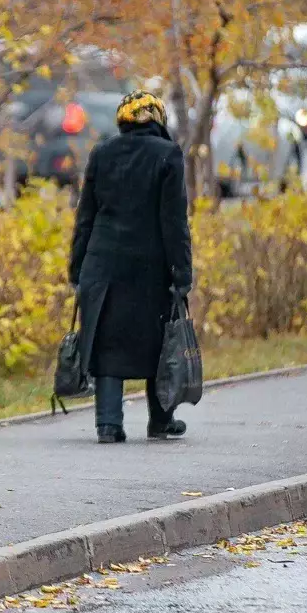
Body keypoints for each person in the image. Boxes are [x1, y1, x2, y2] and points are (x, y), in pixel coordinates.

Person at [68, 90, 194, 444]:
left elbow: (85, 216)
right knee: (159, 342)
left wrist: (77, 268)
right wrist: (182, 273)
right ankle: (161, 421)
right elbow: (174, 222)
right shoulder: (167, 154)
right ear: (158, 119)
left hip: (103, 265)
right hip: (149, 268)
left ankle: (108, 424)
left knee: (106, 342)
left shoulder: (102, 153)